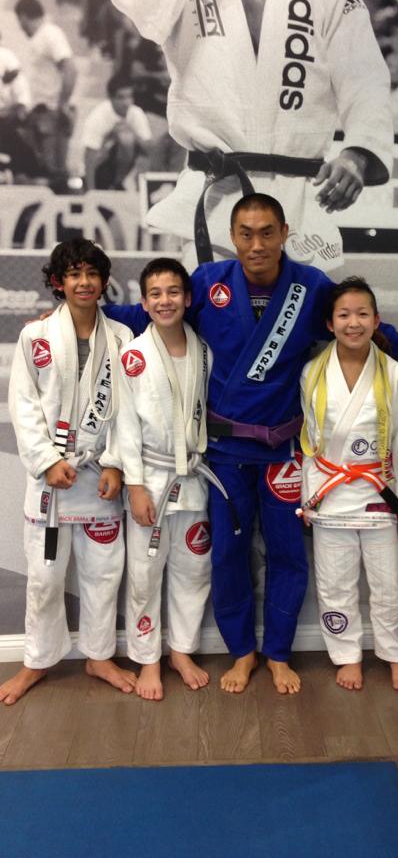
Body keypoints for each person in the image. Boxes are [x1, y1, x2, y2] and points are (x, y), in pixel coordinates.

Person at [105, 192, 398, 695]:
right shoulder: (208, 283)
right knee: (227, 556)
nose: (256, 244)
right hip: (225, 455)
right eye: (246, 234)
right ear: (232, 237)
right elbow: (148, 313)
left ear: (284, 234)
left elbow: (372, 330)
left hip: (282, 452)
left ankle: (278, 652)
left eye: (266, 233)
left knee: (286, 555)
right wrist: (88, 312)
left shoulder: (311, 286)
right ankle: (242, 652)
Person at [103, 0, 393, 273]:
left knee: (305, 312)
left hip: (302, 208)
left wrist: (358, 154)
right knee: (216, 311)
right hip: (215, 203)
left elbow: (366, 80)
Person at [0, 239, 134, 706]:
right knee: (44, 578)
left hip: (99, 476)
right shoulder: (35, 337)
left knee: (104, 574)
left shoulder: (122, 338)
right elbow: (23, 405)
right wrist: (46, 460)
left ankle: (99, 656)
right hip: (52, 481)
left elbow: (128, 410)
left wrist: (116, 462)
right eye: (74, 274)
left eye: (92, 273)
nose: (84, 282)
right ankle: (37, 660)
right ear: (59, 282)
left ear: (104, 280)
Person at [299, 276, 398, 692]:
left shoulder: (396, 374)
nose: (354, 323)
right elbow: (309, 442)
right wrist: (309, 498)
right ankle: (347, 654)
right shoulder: (312, 373)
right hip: (330, 489)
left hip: (379, 491)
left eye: (362, 314)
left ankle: (394, 654)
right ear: (329, 323)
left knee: (388, 582)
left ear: (376, 320)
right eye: (344, 315)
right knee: (335, 581)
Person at [117, 258, 213, 700]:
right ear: (143, 303)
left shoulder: (204, 351)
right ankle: (148, 659)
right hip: (151, 478)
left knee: (194, 569)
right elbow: (124, 426)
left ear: (187, 298)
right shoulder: (133, 356)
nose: (165, 300)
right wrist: (134, 485)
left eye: (173, 292)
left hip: (192, 477)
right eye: (155, 294)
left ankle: (181, 650)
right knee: (145, 573)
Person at [14, 0, 77, 188]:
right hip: (39, 113)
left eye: (20, 21)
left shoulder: (50, 34)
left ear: (24, 17)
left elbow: (70, 69)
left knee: (55, 171)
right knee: (41, 168)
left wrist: (62, 104)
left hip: (51, 112)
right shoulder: (38, 39)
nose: (20, 27)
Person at [82, 73, 153, 190]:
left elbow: (149, 150)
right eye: (121, 97)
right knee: (125, 137)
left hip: (126, 167)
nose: (126, 102)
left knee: (131, 140)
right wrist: (91, 191)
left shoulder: (136, 113)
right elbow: (89, 158)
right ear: (111, 98)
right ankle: (111, 185)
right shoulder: (97, 117)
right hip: (101, 168)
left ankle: (131, 185)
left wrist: (134, 134)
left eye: (129, 96)